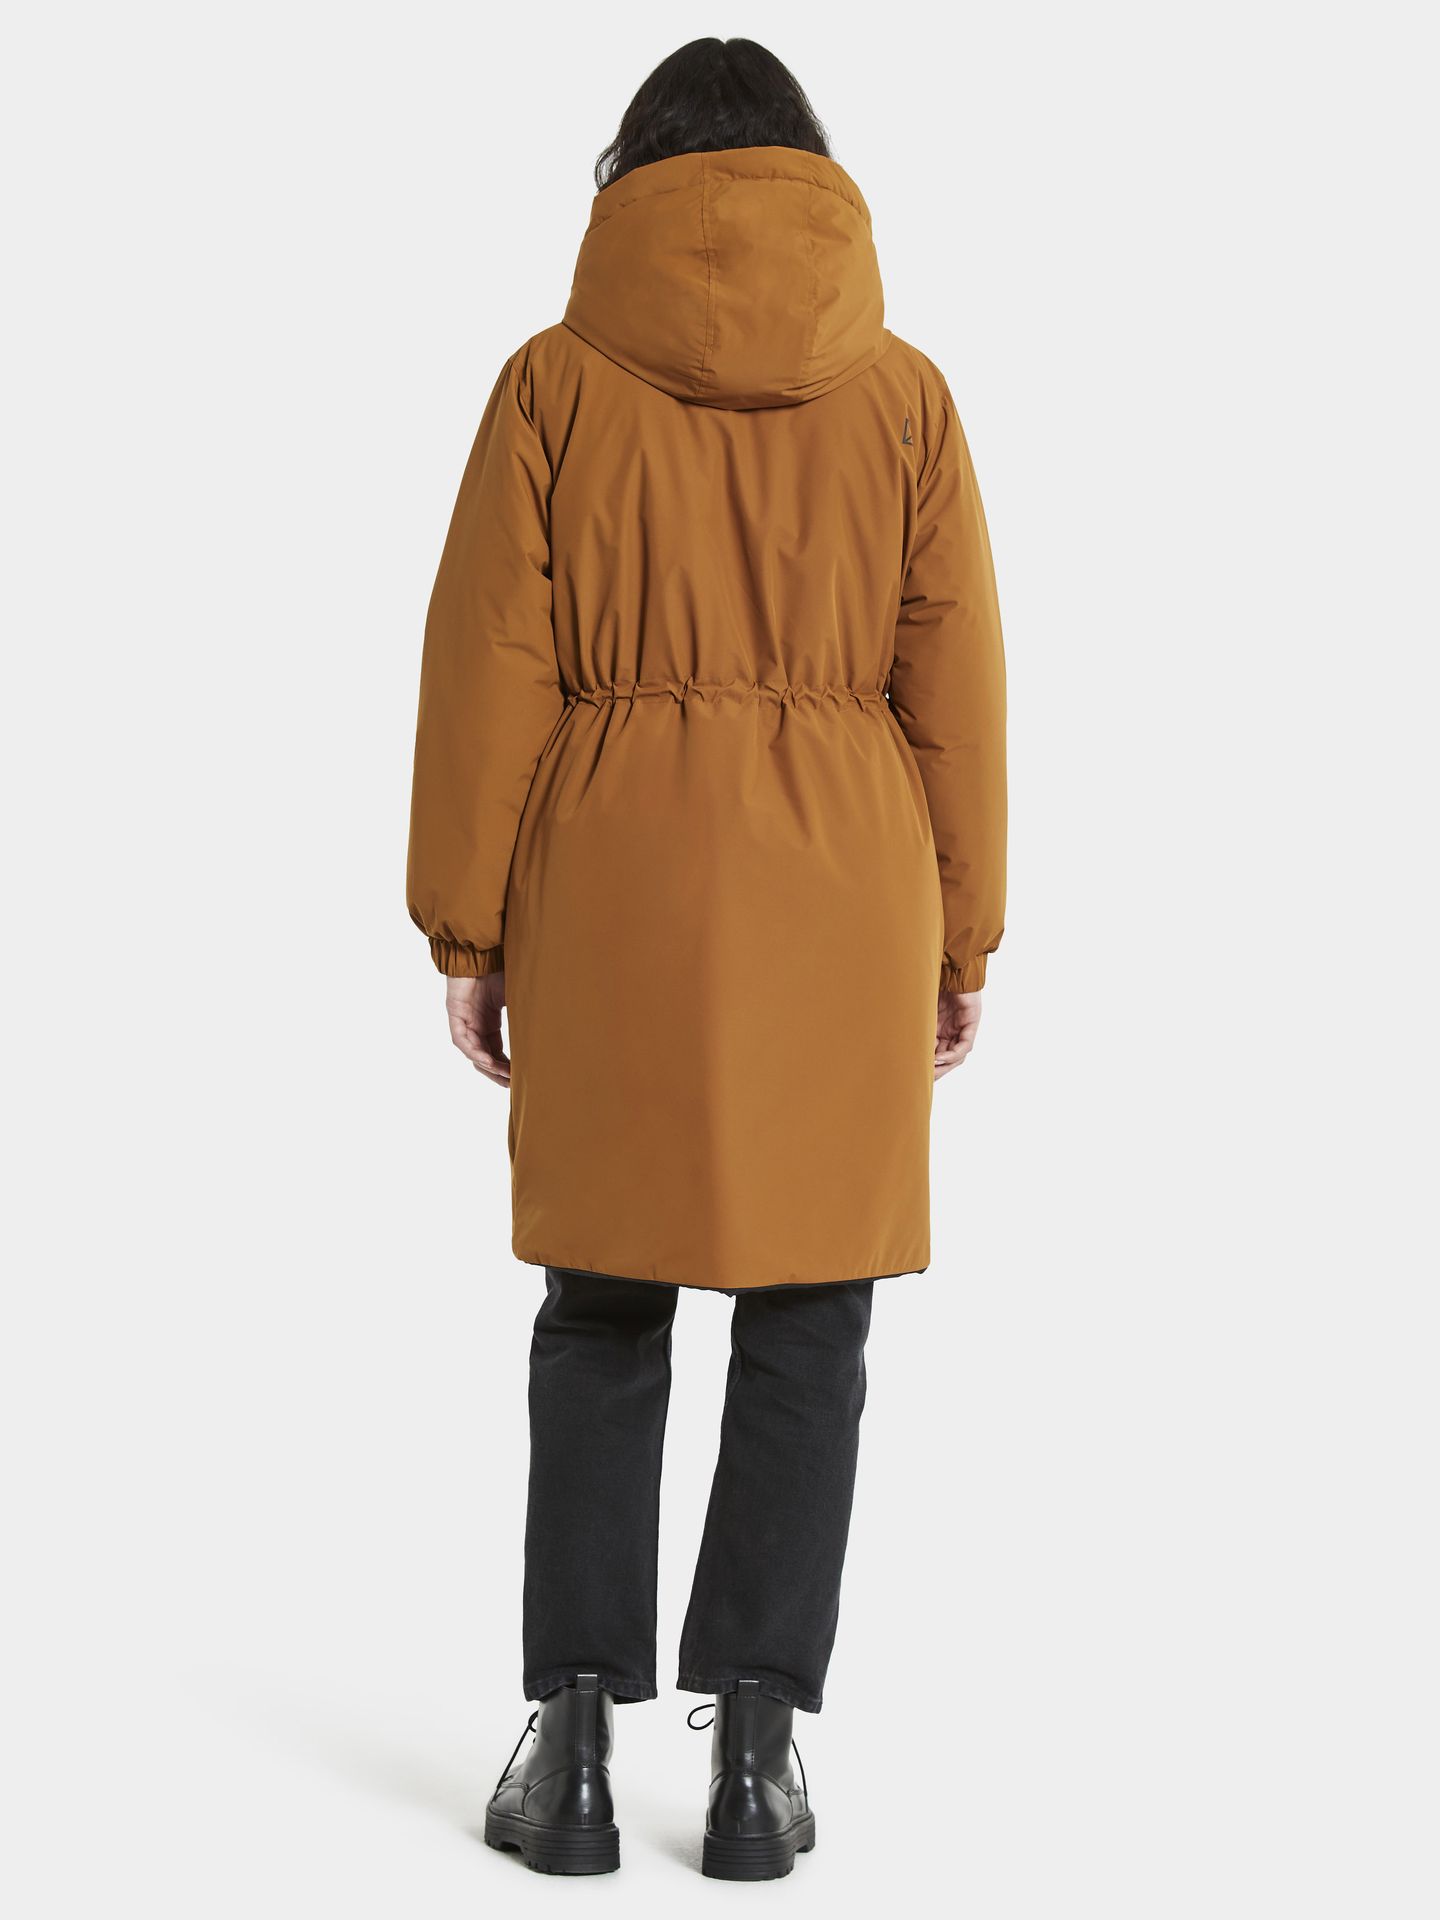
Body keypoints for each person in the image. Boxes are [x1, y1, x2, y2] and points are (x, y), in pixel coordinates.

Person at [406, 36, 1006, 1880]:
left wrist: (469, 927)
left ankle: (575, 1749)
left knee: (602, 1302)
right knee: (812, 1313)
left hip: (618, 876)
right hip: (845, 882)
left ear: (635, 175)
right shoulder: (902, 395)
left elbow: (490, 660)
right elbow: (953, 677)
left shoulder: (552, 383)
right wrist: (963, 927)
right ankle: (755, 1759)